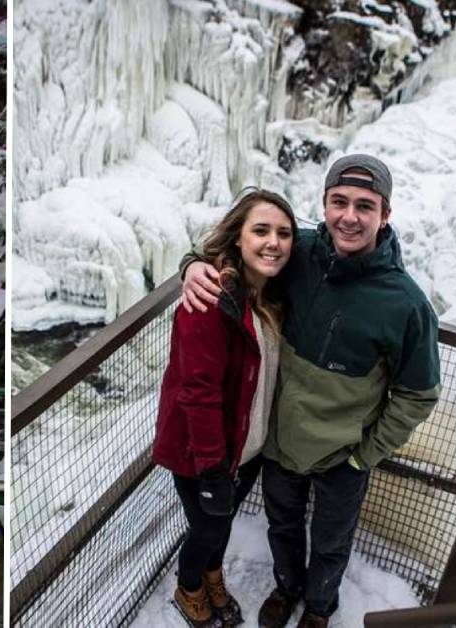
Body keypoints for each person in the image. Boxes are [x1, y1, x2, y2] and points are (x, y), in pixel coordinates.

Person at [181, 154, 441, 628]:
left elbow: (418, 393)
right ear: (323, 205)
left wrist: (367, 453)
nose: (350, 216)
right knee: (283, 525)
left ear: (385, 214)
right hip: (282, 444)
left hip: (346, 456)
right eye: (339, 201)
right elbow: (236, 247)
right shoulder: (297, 253)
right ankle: (287, 589)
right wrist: (193, 267)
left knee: (330, 539)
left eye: (365, 205)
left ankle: (320, 608)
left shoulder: (406, 304)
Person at [154, 188, 297, 627]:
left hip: (246, 444)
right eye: (261, 231)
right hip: (203, 451)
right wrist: (213, 470)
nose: (273, 241)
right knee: (208, 527)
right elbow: (198, 391)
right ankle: (189, 585)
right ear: (238, 238)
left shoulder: (270, 293)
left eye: (284, 233)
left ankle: (212, 572)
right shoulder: (210, 300)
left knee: (222, 521)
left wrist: (190, 261)